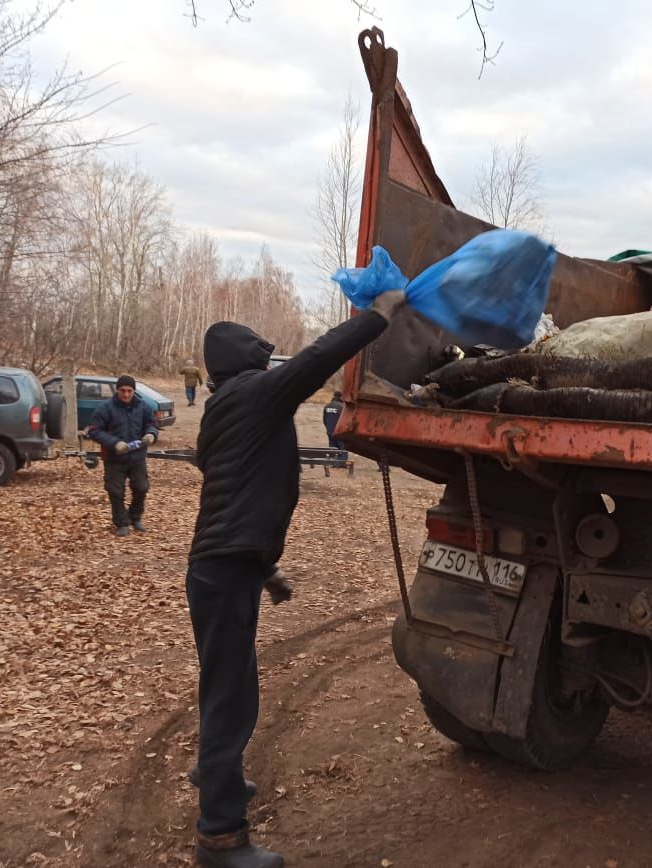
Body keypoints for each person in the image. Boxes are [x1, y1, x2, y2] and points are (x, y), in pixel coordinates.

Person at [186, 290, 405, 868]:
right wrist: (377, 316)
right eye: (263, 355)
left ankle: (216, 775)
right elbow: (317, 359)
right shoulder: (258, 394)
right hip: (224, 569)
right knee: (231, 697)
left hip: (224, 567)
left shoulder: (225, 406)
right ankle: (220, 836)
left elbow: (236, 492)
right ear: (249, 362)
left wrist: (267, 568)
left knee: (229, 685)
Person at [85, 375, 158, 537]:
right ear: (117, 390)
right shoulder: (106, 408)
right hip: (114, 458)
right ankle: (122, 523)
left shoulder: (143, 406)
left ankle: (135, 517)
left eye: (129, 391)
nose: (126, 394)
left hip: (137, 457)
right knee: (115, 491)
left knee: (141, 487)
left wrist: (151, 434)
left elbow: (152, 423)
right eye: (123, 391)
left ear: (134, 391)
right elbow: (93, 430)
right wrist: (114, 443)